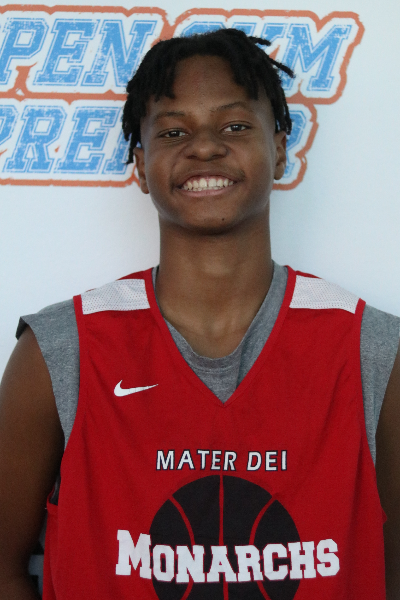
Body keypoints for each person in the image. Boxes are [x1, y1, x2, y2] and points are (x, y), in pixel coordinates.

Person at [0, 28, 399, 600]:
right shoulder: (59, 351)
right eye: (173, 131)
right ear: (141, 166)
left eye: (235, 126)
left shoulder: (372, 350)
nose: (205, 147)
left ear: (280, 148)